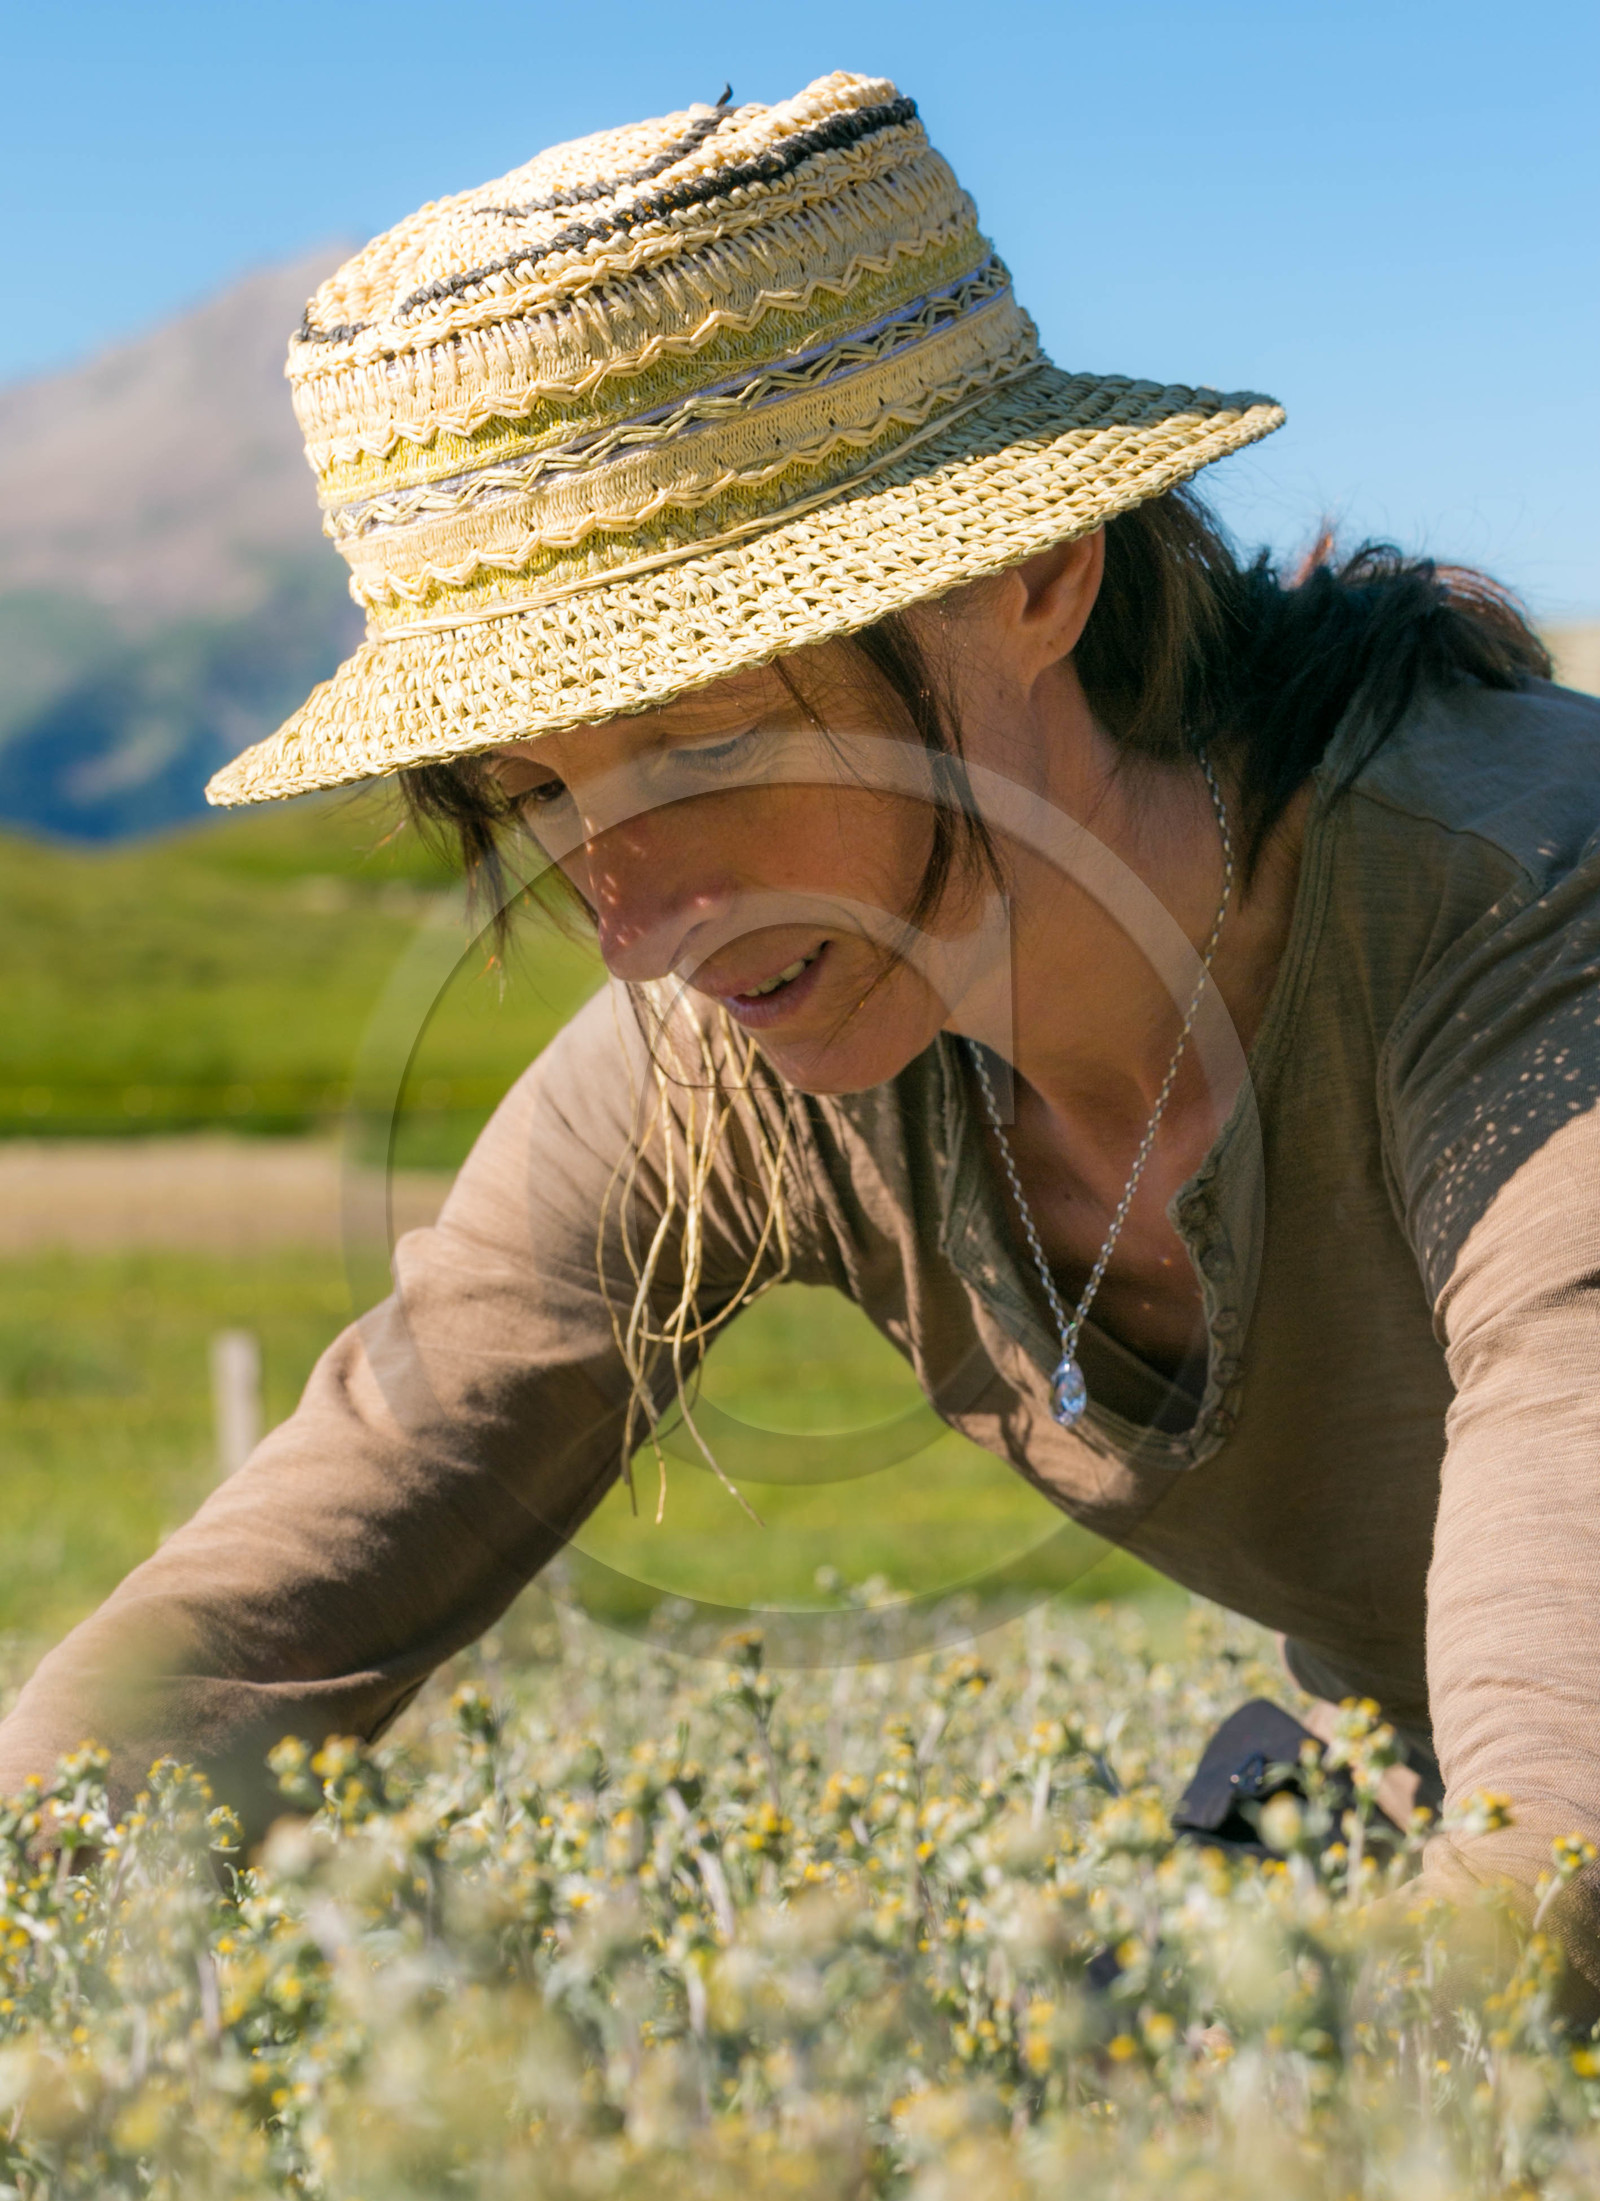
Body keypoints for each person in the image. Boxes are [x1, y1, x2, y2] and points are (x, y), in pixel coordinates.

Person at [5, 70, 1599, 1988]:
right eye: (534, 790)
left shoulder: (1527, 907)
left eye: (703, 743)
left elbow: (1551, 1842)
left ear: (1031, 575)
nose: (634, 911)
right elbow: (271, 1613)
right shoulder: (745, 1050)